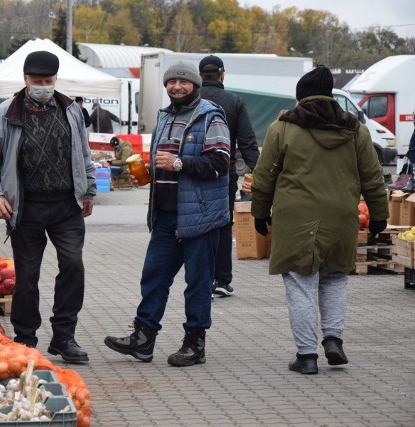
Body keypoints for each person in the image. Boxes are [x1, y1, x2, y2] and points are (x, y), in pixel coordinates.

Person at [250, 65, 389, 375]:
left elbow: (264, 177)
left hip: (296, 219)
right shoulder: (356, 130)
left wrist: (259, 212)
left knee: (301, 283)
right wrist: (379, 214)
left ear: (301, 98)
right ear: (331, 97)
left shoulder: (282, 127)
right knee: (336, 277)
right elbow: (373, 177)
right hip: (342, 218)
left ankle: (307, 355)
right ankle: (333, 339)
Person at [104, 61, 231, 367]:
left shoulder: (210, 116)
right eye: (171, 82)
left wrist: (179, 164)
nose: (176, 86)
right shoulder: (165, 117)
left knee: (198, 283)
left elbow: (221, 161)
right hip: (165, 214)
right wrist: (148, 173)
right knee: (154, 276)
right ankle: (143, 339)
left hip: (199, 216)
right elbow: (163, 162)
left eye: (183, 82)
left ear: (195, 85)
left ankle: (195, 344)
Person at [0, 51, 96, 363]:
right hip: (25, 209)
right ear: (25, 80)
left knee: (73, 266)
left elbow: (83, 153)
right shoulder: (6, 113)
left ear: (56, 80)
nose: (44, 86)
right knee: (27, 276)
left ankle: (64, 337)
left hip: (67, 205)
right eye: (37, 81)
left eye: (49, 81)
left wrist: (89, 189)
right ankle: (25, 339)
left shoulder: (71, 110)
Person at [198, 55, 260, 298]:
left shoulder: (191, 99)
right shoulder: (234, 102)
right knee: (223, 225)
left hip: (191, 172)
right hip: (224, 173)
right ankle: (221, 279)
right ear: (222, 75)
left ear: (201, 75)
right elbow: (247, 143)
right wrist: (260, 175)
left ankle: (200, 278)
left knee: (196, 225)